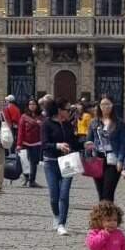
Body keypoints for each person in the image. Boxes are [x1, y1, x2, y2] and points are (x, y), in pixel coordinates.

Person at [41, 99, 75, 235]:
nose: (70, 112)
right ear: (59, 110)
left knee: (64, 194)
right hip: (51, 162)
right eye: (68, 110)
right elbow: (44, 144)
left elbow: (73, 142)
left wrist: (84, 144)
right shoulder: (46, 124)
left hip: (67, 162)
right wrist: (57, 145)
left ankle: (62, 223)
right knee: (54, 195)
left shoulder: (68, 124)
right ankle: (56, 215)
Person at [85, 95, 125, 202]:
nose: (105, 107)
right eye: (103, 104)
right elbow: (89, 140)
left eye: (108, 104)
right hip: (97, 157)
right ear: (99, 106)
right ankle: (103, 213)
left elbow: (123, 143)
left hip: (112, 158)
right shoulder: (94, 122)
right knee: (101, 193)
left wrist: (120, 160)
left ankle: (109, 212)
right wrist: (88, 157)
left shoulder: (119, 122)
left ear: (112, 106)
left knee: (108, 192)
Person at [17, 97, 43, 188]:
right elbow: (20, 131)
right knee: (24, 162)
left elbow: (45, 129)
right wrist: (19, 144)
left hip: (36, 142)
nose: (32, 106)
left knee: (33, 162)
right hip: (25, 143)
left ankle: (32, 181)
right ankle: (26, 178)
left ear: (37, 106)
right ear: (27, 106)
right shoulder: (24, 116)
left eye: (34, 104)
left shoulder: (41, 116)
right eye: (30, 104)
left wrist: (41, 124)